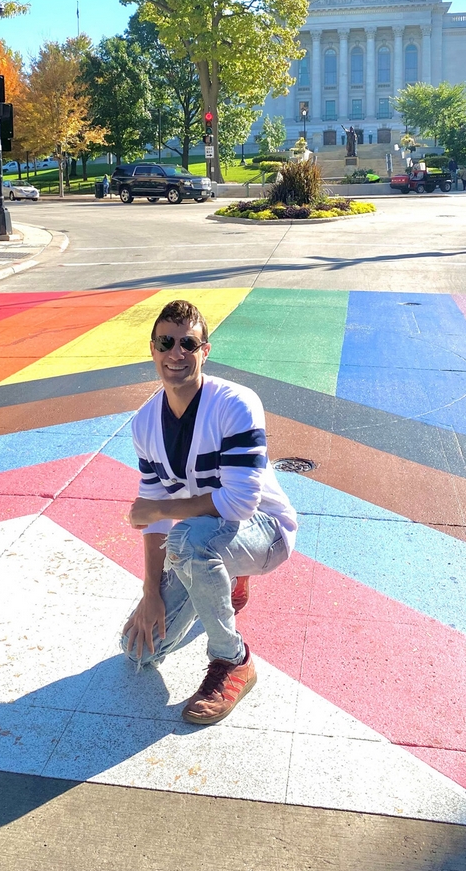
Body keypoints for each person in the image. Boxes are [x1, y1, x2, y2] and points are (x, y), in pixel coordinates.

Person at [122, 299, 297, 725]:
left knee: (189, 540)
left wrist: (162, 507)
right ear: (152, 349)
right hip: (207, 535)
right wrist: (150, 594)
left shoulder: (235, 403)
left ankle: (232, 659)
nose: (176, 353)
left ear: (205, 350)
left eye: (188, 343)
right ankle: (228, 580)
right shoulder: (145, 423)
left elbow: (237, 504)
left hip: (265, 531)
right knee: (140, 650)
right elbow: (154, 520)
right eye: (166, 342)